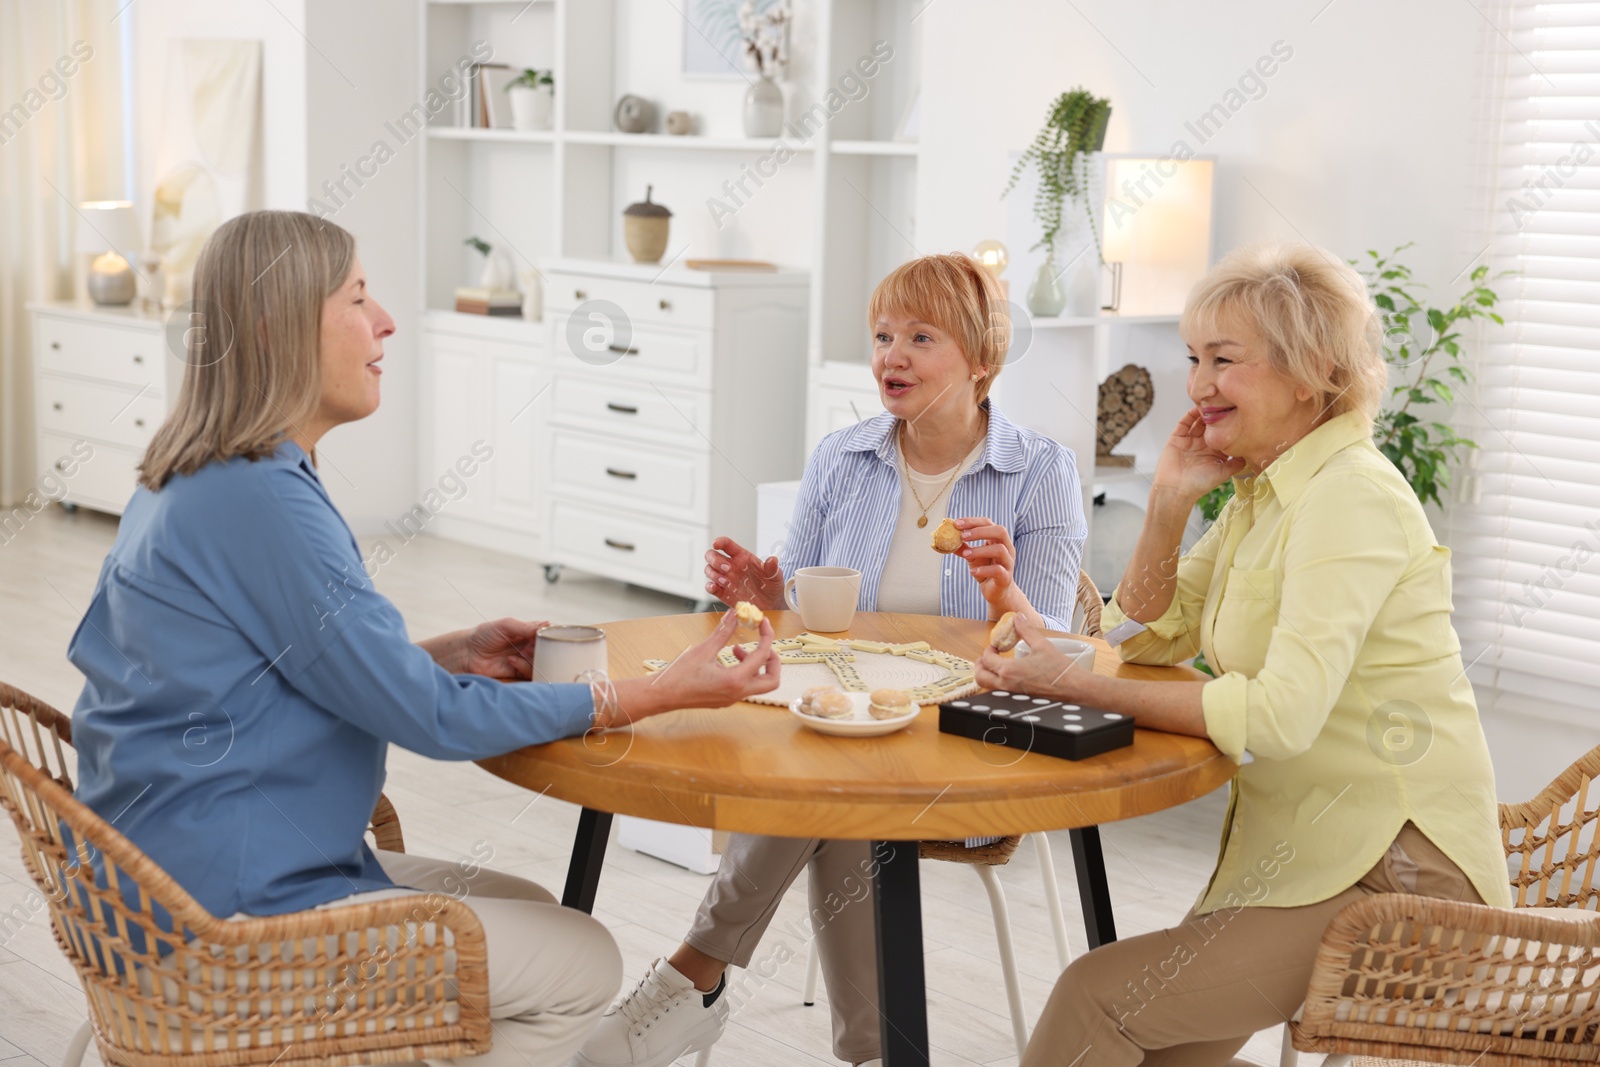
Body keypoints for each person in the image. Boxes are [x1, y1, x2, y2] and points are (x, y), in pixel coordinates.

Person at [67, 210, 781, 1067]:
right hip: (226, 921)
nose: (387, 322)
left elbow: (292, 668)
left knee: (536, 914)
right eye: (358, 298)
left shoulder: (201, 471)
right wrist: (656, 690)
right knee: (582, 961)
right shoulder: (261, 499)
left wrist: (450, 651)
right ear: (279, 327)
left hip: (168, 885)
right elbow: (431, 721)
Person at [975, 244, 1514, 1066]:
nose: (1196, 384)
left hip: (1395, 879)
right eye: (1194, 358)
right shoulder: (1266, 491)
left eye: (1224, 360)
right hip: (1309, 855)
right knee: (1158, 1048)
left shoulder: (1349, 497)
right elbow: (1151, 633)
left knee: (1096, 997)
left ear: (1311, 373)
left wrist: (1077, 682)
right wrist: (1168, 500)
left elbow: (1277, 716)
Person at [575, 252, 1087, 1067]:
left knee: (833, 791)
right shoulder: (842, 457)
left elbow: (1058, 655)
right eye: (883, 335)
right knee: (840, 785)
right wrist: (762, 595)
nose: (893, 354)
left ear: (982, 361)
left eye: (922, 337)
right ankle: (873, 1054)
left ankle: (692, 974)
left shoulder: (1041, 472)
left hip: (969, 740)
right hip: (852, 725)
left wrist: (1004, 596)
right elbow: (797, 640)